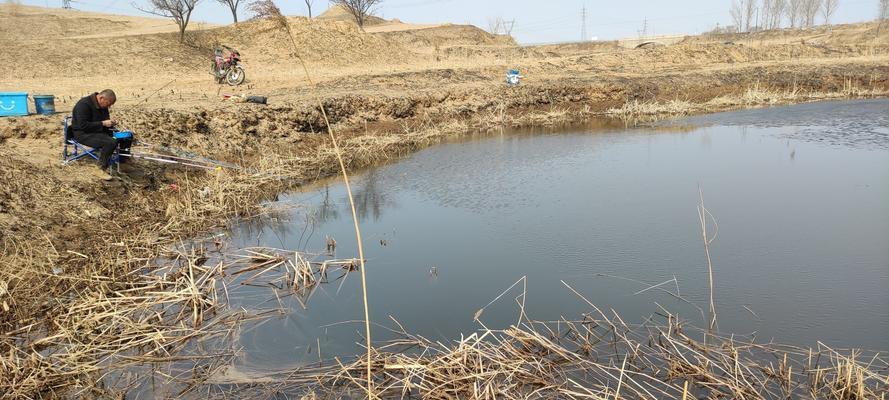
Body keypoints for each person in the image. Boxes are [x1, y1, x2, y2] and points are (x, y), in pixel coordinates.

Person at [70, 89, 131, 180]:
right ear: (101, 98)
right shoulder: (83, 105)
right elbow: (82, 126)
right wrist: (102, 123)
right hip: (83, 134)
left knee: (127, 136)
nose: (109, 106)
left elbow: (105, 120)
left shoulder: (103, 105)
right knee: (110, 142)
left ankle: (122, 162)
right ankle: (99, 169)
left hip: (99, 131)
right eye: (109, 104)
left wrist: (110, 123)